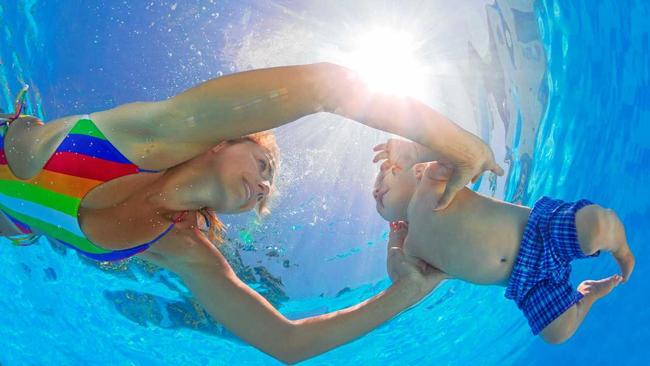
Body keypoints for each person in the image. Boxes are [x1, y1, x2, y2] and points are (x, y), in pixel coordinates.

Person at [0, 63, 499, 363]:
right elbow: (325, 86)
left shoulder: (181, 249)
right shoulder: (155, 132)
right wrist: (457, 144)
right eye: (263, 165)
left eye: (265, 190)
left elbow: (285, 342)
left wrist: (407, 290)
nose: (262, 185)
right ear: (221, 143)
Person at [371, 138, 636, 344]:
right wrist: (395, 246)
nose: (376, 188)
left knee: (595, 226)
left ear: (413, 170)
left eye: (385, 173)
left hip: (539, 233)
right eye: (374, 194)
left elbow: (459, 156)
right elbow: (403, 279)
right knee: (557, 332)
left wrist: (417, 152)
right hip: (527, 285)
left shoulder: (430, 182)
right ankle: (588, 293)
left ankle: (622, 251)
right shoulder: (410, 247)